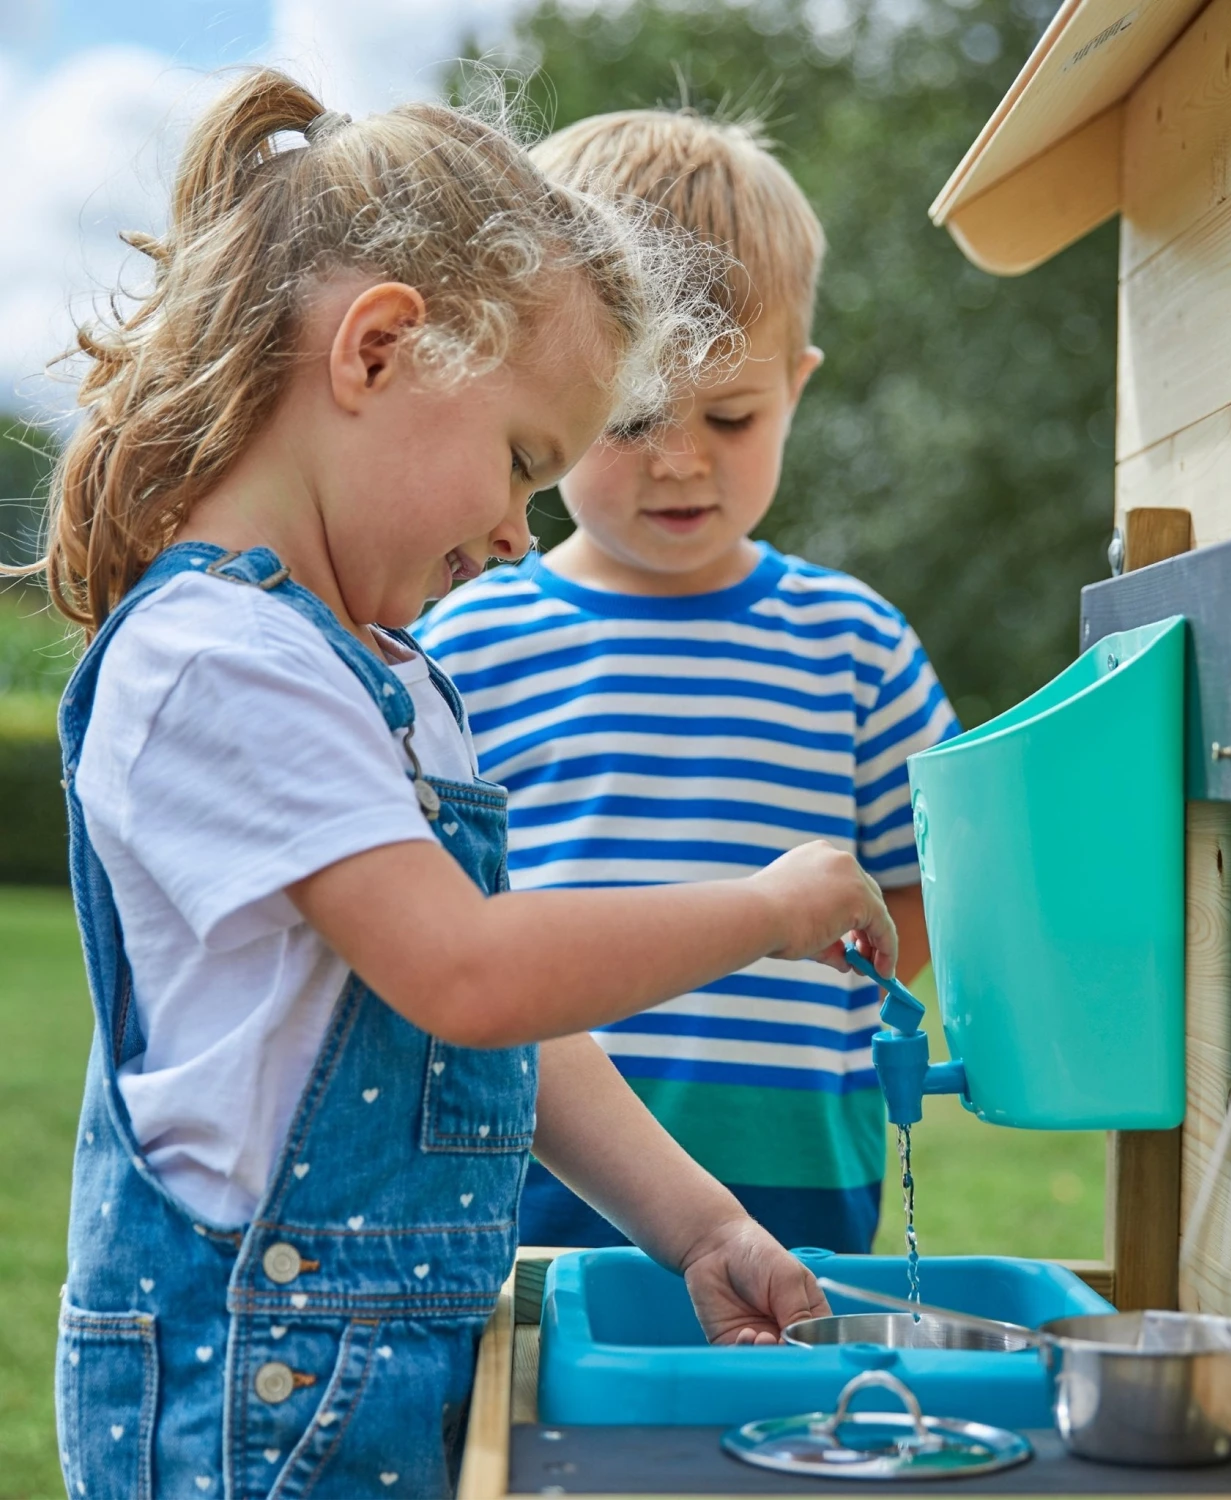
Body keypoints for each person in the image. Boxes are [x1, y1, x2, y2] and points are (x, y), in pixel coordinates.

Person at [32, 72, 905, 1498]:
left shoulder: (385, 675)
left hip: (375, 1387)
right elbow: (471, 973)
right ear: (376, 351)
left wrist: (696, 1225)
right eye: (519, 461)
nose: (517, 532)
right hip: (249, 1408)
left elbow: (500, 1029)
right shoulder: (217, 663)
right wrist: (760, 909)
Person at [416, 110, 958, 1258]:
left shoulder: (854, 643)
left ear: (798, 389)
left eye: (731, 415)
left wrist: (860, 994)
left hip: (804, 1183)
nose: (679, 458)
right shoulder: (465, 639)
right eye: (637, 415)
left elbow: (929, 891)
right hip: (531, 1177)